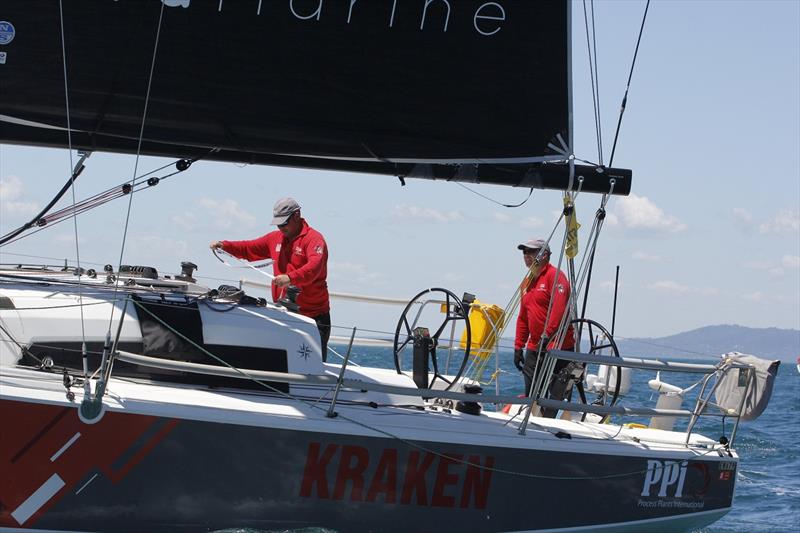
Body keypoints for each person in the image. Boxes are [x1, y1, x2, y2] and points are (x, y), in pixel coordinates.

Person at [210, 197, 331, 360]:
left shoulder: (314, 239)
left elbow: (314, 267)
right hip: (284, 315)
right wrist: (224, 245)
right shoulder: (275, 238)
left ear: (296, 216)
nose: (281, 228)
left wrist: (290, 278)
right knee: (281, 362)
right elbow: (249, 248)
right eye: (278, 224)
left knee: (313, 366)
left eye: (284, 223)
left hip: (313, 317)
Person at [513, 238, 576, 418]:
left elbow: (558, 309)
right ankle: (534, 422)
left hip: (557, 346)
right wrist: (518, 346)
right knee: (532, 391)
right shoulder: (527, 283)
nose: (526, 256)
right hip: (535, 347)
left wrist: (547, 335)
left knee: (555, 394)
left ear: (545, 255)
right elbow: (523, 317)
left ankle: (550, 423)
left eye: (531, 252)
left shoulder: (556, 276)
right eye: (524, 252)